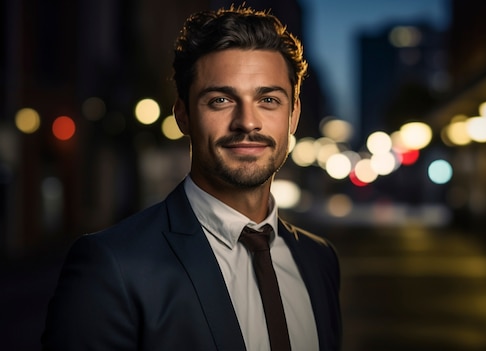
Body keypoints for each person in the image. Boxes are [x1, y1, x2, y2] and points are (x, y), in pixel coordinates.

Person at [42, 6, 341, 351]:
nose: (247, 122)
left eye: (268, 100)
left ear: (293, 116)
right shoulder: (112, 266)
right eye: (220, 100)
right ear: (183, 115)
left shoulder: (319, 261)